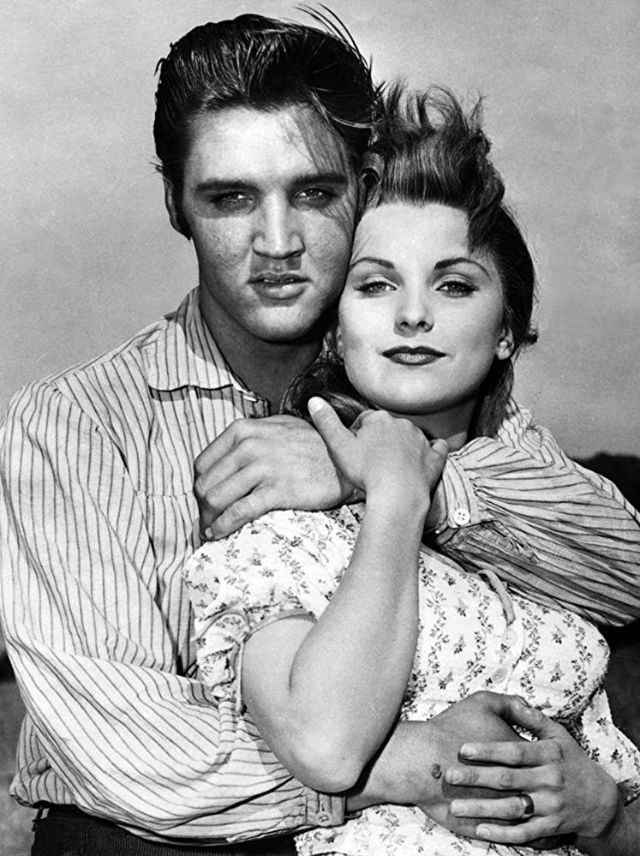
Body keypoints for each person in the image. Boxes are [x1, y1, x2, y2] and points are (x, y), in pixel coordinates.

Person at [1, 11, 639, 855]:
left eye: (314, 193)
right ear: (174, 204)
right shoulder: (70, 423)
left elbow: (623, 574)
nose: (278, 243)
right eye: (230, 198)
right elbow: (133, 758)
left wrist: (390, 476)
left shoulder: (431, 388)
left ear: (365, 184)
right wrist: (420, 764)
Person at [183, 86, 640, 856]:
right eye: (376, 284)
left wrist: (606, 814)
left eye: (455, 285)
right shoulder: (280, 529)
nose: (414, 315)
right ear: (336, 328)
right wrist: (395, 494)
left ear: (505, 331)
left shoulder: (549, 524)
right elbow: (326, 747)